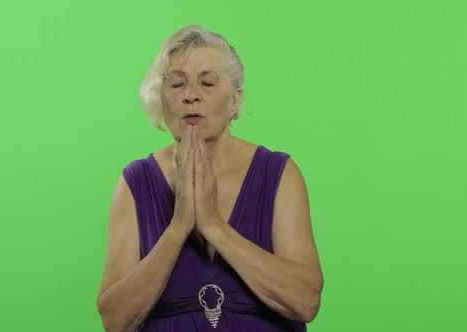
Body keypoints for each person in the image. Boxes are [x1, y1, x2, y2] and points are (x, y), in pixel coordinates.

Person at [96, 25, 324, 331]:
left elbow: (306, 301)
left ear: (234, 101)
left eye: (207, 83)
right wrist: (178, 227)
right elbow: (114, 319)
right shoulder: (135, 183)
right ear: (162, 102)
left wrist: (213, 224)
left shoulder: (280, 174)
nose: (191, 95)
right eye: (176, 84)